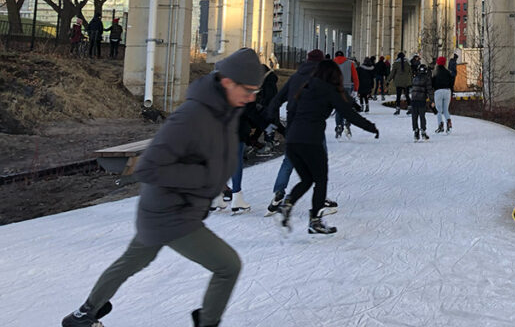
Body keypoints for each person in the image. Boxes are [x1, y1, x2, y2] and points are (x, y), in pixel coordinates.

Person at [62, 48, 265, 327]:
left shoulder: (224, 110)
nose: (253, 96)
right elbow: (149, 166)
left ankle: (83, 315)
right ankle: (208, 322)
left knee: (130, 262)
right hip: (172, 216)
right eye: (250, 89)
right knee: (228, 267)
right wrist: (205, 178)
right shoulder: (193, 115)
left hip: (167, 209)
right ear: (228, 82)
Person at [271, 59, 378, 234]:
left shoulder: (305, 86)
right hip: (311, 140)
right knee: (320, 180)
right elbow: (348, 114)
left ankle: (286, 205)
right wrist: (370, 127)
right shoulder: (328, 89)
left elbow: (292, 108)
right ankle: (315, 221)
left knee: (307, 179)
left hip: (293, 140)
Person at [265, 49, 332, 216]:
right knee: (320, 162)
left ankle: (278, 193)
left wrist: (269, 119)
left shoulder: (295, 77)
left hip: (293, 126)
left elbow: (278, 98)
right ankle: (320, 198)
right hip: (313, 127)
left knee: (288, 161)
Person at [332, 51, 358, 138]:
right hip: (347, 87)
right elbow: (355, 77)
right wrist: (356, 89)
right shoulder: (350, 64)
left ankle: (339, 126)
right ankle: (347, 122)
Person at [409, 59, 433, 142]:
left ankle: (416, 132)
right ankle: (423, 131)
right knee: (422, 116)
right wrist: (432, 100)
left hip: (414, 99)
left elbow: (412, 88)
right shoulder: (427, 78)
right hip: (421, 100)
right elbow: (429, 90)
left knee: (414, 116)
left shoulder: (415, 78)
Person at [432, 56, 455, 134]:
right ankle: (449, 124)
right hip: (447, 91)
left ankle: (440, 126)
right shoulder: (448, 72)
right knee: (445, 110)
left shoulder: (435, 72)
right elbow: (451, 83)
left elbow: (432, 83)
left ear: (438, 63)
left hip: (438, 91)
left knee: (439, 110)